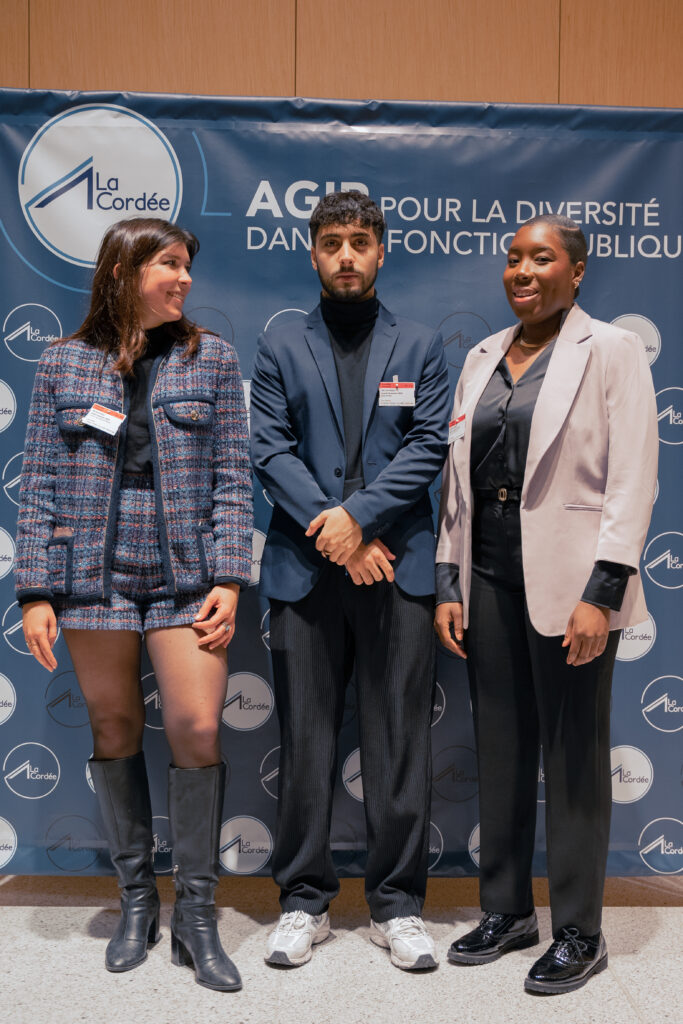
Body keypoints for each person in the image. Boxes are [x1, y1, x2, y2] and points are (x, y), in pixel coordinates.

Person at [15, 217, 253, 992]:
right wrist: (35, 589)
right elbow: (40, 480)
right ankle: (135, 904)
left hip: (186, 570)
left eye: (187, 265)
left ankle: (197, 914)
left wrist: (227, 576)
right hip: (91, 570)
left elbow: (231, 476)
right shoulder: (63, 362)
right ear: (123, 272)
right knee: (114, 723)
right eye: (168, 265)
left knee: (196, 725)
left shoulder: (210, 356)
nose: (183, 278)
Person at [435, 214, 658, 994]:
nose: (522, 271)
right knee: (499, 751)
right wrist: (448, 579)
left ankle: (578, 931)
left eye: (541, 258)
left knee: (570, 761)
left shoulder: (613, 350)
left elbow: (633, 477)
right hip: (488, 578)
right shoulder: (481, 355)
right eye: (512, 259)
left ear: (576, 271)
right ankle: (506, 909)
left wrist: (604, 592)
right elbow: (456, 484)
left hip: (571, 589)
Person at [250, 191, 450, 970]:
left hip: (396, 566)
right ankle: (304, 902)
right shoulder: (279, 346)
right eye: (331, 241)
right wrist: (340, 538)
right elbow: (270, 451)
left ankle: (395, 907)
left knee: (398, 742)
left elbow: (428, 446)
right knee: (303, 742)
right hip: (307, 569)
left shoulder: (424, 344)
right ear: (311, 252)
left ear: (379, 251)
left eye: (359, 241)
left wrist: (357, 521)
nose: (345, 255)